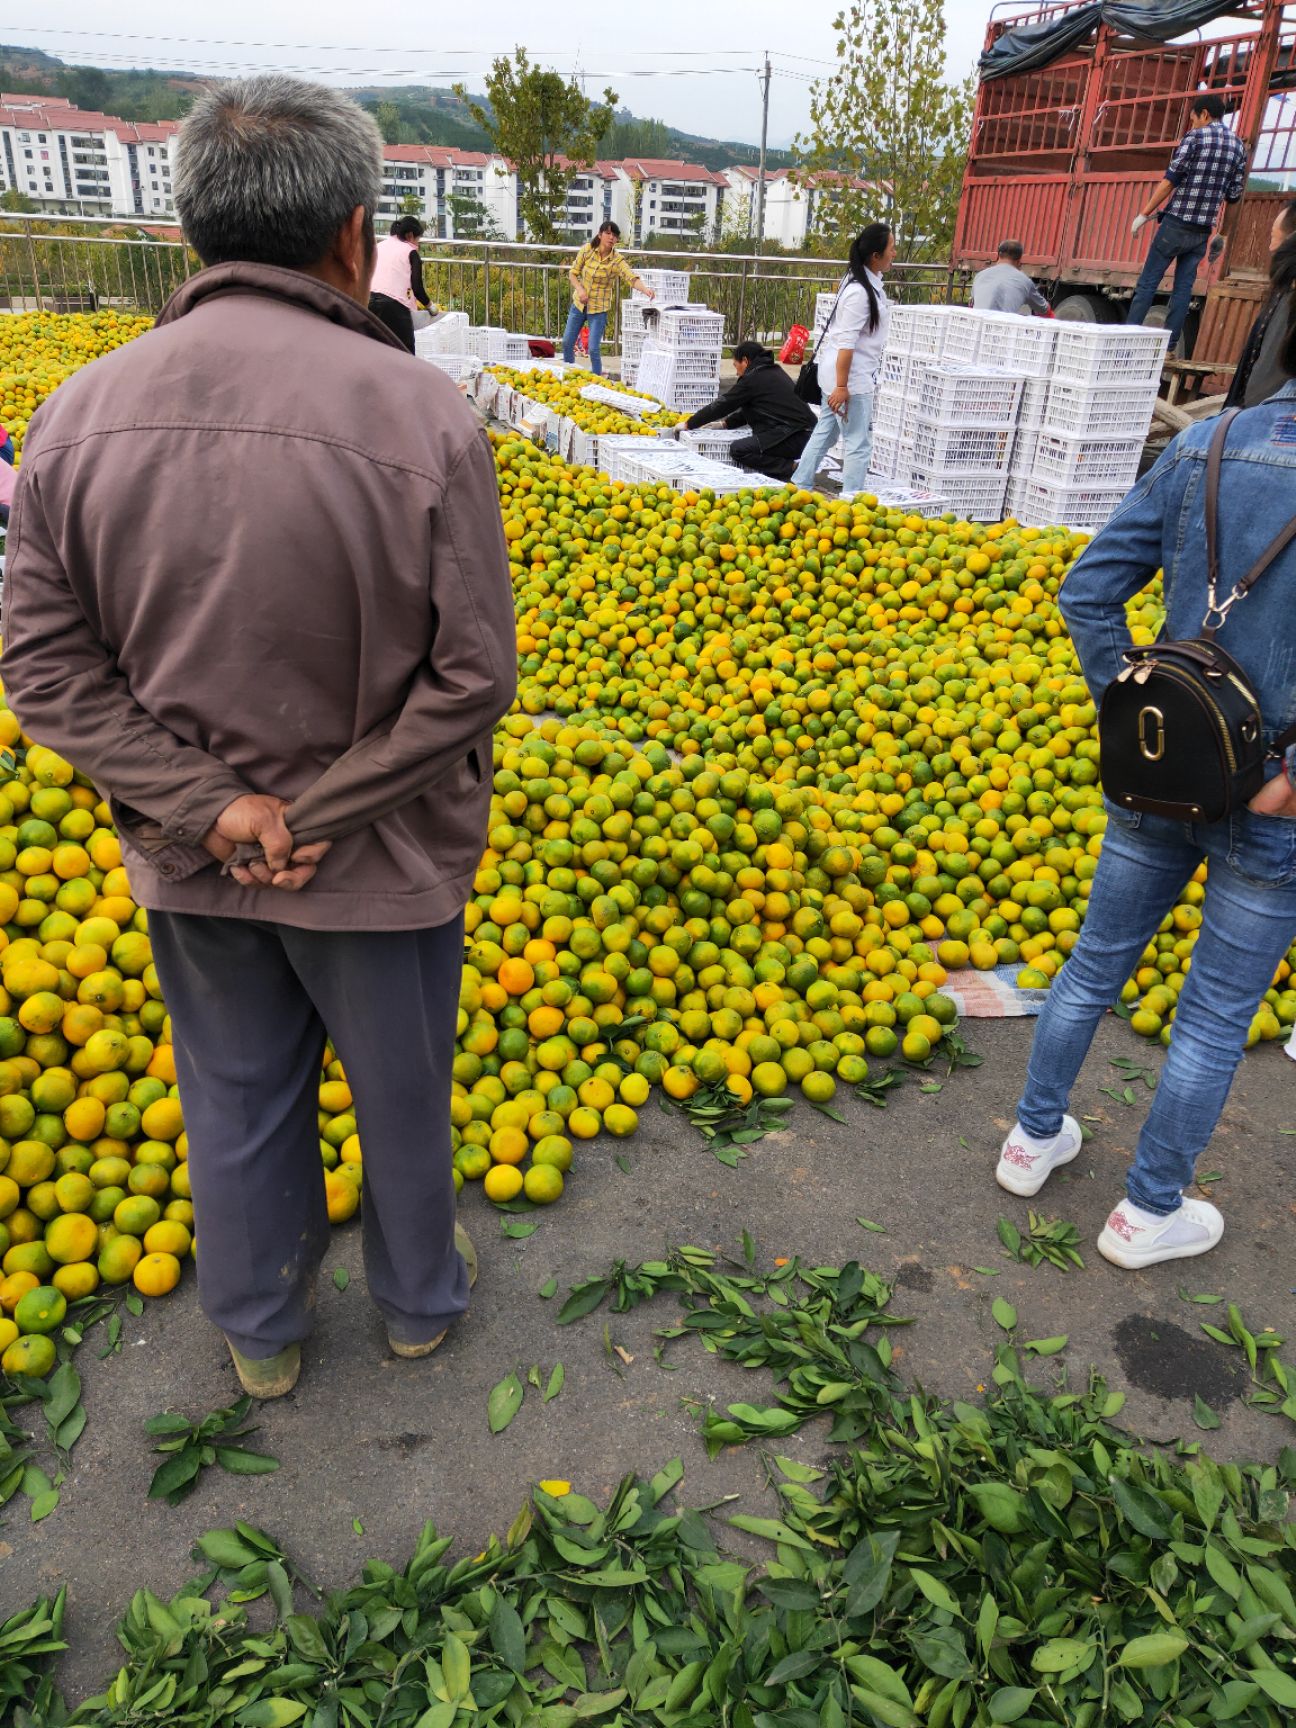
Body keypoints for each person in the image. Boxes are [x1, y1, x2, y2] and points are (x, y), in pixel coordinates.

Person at [1, 75, 517, 1395]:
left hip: (195, 857)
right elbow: (471, 677)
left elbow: (43, 668)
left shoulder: (75, 417)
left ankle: (262, 1337)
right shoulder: (423, 415)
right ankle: (414, 1308)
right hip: (385, 860)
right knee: (400, 1094)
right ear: (355, 233)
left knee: (232, 1094)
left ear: (189, 233)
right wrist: (323, 813)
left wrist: (214, 807)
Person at [995, 294, 1296, 1269]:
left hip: (1159, 769)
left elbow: (1087, 590)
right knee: (1211, 1017)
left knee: (1093, 964)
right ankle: (1144, 1214)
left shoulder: (1207, 445)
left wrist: (1130, 715)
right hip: (1269, 802)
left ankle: (1031, 1142)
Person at [1127, 93, 1246, 350]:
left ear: (1204, 114)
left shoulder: (1196, 137)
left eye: (1193, 118)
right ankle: (1170, 348)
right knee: (1182, 290)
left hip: (1175, 224)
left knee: (1147, 284)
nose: (1192, 124)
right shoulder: (1238, 145)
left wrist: (1144, 213)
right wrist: (1222, 234)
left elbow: (1171, 179)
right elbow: (1234, 196)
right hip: (1201, 232)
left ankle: (1125, 340)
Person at [791, 221, 895, 497]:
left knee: (826, 431)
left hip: (839, 375)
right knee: (858, 442)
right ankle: (852, 501)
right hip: (849, 378)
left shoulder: (860, 282)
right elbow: (847, 345)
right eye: (891, 248)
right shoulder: (859, 292)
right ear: (876, 255)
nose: (894, 253)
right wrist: (841, 386)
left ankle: (800, 483)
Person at [683, 340, 815, 481]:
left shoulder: (752, 379)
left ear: (745, 361)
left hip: (795, 436)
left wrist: (689, 424)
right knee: (752, 441)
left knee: (739, 449)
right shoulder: (772, 371)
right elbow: (754, 409)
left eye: (736, 365)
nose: (736, 372)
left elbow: (723, 404)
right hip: (807, 434)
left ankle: (790, 468)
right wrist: (725, 424)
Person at [1226, 197, 1296, 409]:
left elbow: (1262, 383)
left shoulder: (1287, 299)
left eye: (1275, 239)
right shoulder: (1280, 294)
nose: (1270, 248)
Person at [562, 221, 655, 375]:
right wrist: (580, 289)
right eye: (608, 233)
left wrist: (645, 289)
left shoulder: (616, 260)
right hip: (579, 304)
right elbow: (572, 273)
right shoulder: (587, 250)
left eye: (615, 235)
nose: (611, 237)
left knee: (593, 348)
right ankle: (568, 373)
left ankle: (597, 380)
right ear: (600, 235)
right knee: (567, 342)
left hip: (599, 309)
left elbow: (630, 277)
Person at [368, 215, 434, 353]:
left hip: (368, 302)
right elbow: (417, 288)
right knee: (405, 352)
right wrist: (430, 306)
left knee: (376, 350)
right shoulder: (410, 251)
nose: (418, 244)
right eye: (418, 239)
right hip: (394, 306)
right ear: (410, 236)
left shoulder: (379, 246)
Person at [971, 240, 1049, 316]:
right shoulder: (1025, 281)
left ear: (998, 256)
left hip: (977, 325)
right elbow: (1044, 309)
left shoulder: (980, 276)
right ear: (1019, 261)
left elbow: (972, 304)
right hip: (1004, 327)